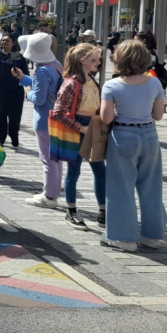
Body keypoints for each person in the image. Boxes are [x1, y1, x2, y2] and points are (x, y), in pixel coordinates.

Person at [99, 41, 166, 252]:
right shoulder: (155, 84)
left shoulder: (112, 86)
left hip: (123, 135)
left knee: (121, 187)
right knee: (152, 187)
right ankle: (152, 236)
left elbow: (106, 117)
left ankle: (123, 238)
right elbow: (158, 115)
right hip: (149, 135)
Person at [50, 43, 106, 230]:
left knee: (100, 170)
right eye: (94, 59)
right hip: (79, 129)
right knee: (74, 171)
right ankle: (71, 210)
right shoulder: (71, 83)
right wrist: (80, 127)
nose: (98, 62)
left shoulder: (92, 79)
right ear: (83, 61)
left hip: (92, 128)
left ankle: (103, 211)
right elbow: (58, 112)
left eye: (98, 59)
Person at [13, 33, 64, 208]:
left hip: (44, 120)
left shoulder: (42, 70)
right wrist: (23, 78)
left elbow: (39, 97)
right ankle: (54, 192)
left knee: (47, 159)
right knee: (56, 159)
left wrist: (28, 92)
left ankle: (49, 197)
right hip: (57, 118)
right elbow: (43, 87)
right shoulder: (55, 65)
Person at [0, 34, 29, 148]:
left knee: (14, 116)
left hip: (16, 91)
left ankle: (14, 135)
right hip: (0, 90)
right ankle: (0, 137)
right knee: (0, 116)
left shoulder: (19, 57)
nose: (4, 42)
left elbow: (26, 74)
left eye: (7, 41)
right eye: (2, 40)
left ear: (13, 43)